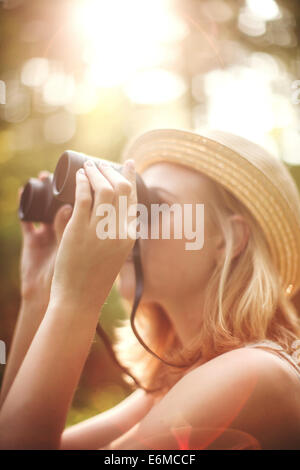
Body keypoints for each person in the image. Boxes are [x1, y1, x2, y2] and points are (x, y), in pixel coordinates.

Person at [0, 128, 300, 450]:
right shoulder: (173, 383)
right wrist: (39, 295)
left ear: (229, 239)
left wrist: (77, 299)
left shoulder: (250, 373)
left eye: (152, 204)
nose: (128, 221)